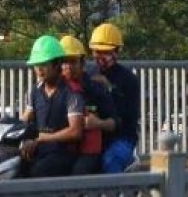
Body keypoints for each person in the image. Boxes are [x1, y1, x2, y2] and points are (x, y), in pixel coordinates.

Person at [19, 34, 84, 177]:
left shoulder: (71, 93)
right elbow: (24, 120)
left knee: (37, 172)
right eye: (36, 65)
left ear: (57, 65)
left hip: (63, 153)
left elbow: (75, 132)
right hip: (38, 151)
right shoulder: (34, 91)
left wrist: (41, 139)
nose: (39, 69)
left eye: (44, 64)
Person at [58, 34, 118, 175]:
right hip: (60, 149)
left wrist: (98, 123)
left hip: (87, 152)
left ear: (82, 63)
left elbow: (116, 122)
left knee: (78, 172)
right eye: (63, 62)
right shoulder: (53, 89)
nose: (68, 67)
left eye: (73, 61)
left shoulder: (95, 89)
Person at [88, 22, 140, 173]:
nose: (100, 57)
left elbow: (128, 117)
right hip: (93, 135)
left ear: (117, 52)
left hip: (122, 137)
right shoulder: (88, 74)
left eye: (105, 52)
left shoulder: (128, 79)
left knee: (111, 160)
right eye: (96, 52)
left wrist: (109, 89)